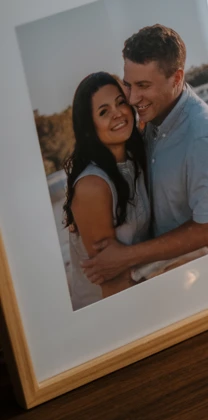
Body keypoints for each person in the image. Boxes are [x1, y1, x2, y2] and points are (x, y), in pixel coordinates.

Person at [81, 24, 208, 287]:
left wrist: (126, 257)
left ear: (176, 78)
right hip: (151, 278)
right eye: (128, 85)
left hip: (189, 279)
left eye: (143, 85)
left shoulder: (202, 137)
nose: (133, 98)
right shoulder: (150, 119)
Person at [65, 72, 151, 310]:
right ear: (88, 128)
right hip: (107, 314)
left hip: (143, 293)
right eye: (104, 112)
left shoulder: (135, 159)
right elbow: (113, 285)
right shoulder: (92, 187)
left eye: (120, 102)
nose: (117, 113)